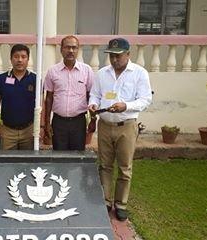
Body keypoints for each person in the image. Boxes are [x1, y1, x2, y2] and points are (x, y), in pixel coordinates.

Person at [88, 38, 152, 221]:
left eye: (118, 56)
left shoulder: (139, 73)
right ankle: (106, 202)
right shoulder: (102, 73)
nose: (114, 60)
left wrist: (127, 106)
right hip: (105, 125)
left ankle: (121, 204)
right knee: (105, 165)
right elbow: (95, 94)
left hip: (126, 126)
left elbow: (146, 99)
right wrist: (93, 104)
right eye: (111, 56)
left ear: (128, 54)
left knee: (125, 168)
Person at [43, 35, 95, 150]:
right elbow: (49, 98)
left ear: (78, 50)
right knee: (59, 157)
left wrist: (93, 120)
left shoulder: (87, 70)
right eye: (67, 47)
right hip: (59, 122)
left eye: (74, 48)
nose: (71, 51)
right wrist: (46, 123)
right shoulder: (53, 71)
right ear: (61, 49)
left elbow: (92, 97)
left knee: (77, 157)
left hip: (79, 122)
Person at [0, 44, 36, 150]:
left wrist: (40, 127)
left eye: (23, 57)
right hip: (7, 131)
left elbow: (41, 104)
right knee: (7, 163)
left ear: (28, 59)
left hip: (29, 130)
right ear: (11, 59)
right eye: (16, 56)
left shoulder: (35, 79)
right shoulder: (1, 79)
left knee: (28, 163)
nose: (19, 60)